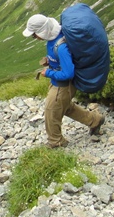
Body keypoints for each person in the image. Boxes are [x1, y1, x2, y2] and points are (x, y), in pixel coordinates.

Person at [23, 14, 105, 148]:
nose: (35, 37)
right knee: (65, 107)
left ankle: (56, 142)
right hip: (58, 83)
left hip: (63, 86)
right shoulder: (54, 38)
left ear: (43, 31)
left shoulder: (61, 47)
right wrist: (50, 61)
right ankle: (95, 120)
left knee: (51, 111)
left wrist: (48, 73)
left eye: (34, 34)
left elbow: (68, 73)